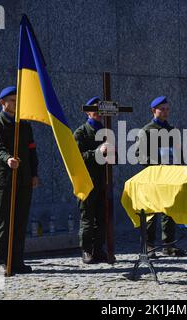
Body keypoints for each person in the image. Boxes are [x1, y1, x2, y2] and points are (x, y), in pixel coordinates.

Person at [0, 86, 39, 274]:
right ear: (2, 102)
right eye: (13, 100)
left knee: (20, 222)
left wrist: (34, 174)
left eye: (18, 100)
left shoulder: (23, 125)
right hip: (5, 181)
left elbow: (32, 150)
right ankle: (2, 261)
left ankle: (17, 261)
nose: (16, 104)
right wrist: (8, 158)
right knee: (5, 222)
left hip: (24, 180)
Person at [136, 95, 186, 258]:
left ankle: (169, 245)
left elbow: (180, 153)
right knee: (151, 212)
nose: (165, 112)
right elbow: (139, 155)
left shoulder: (172, 130)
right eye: (162, 109)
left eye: (167, 109)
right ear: (153, 111)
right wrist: (157, 163)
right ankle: (149, 245)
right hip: (154, 176)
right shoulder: (146, 131)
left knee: (169, 211)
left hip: (171, 176)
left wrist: (181, 166)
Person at [74, 96, 112, 264]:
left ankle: (99, 249)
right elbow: (77, 157)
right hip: (87, 180)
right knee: (87, 218)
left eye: (100, 110)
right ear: (88, 112)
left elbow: (111, 159)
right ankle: (87, 250)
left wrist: (113, 153)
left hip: (103, 180)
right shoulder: (81, 132)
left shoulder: (106, 131)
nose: (99, 114)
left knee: (102, 217)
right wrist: (98, 151)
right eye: (95, 110)